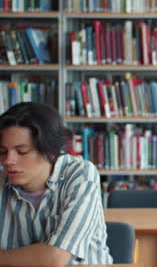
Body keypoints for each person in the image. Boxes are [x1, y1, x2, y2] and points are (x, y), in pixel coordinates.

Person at [0, 102, 112, 266]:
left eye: (22, 152)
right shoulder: (2, 180)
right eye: (2, 151)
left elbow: (55, 259)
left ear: (50, 151)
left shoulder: (81, 175)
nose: (8, 161)